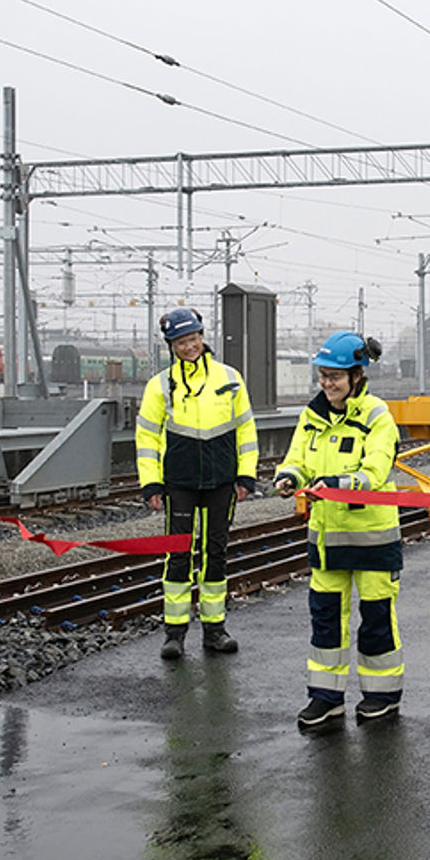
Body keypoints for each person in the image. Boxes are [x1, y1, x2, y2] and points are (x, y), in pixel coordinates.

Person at [273, 332, 404, 729]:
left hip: (372, 542)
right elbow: (297, 459)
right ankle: (325, 698)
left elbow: (376, 470)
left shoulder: (377, 416)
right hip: (327, 543)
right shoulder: (311, 417)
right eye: (323, 375)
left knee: (376, 618)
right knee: (326, 621)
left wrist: (341, 483)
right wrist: (288, 477)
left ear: (357, 376)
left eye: (335, 376)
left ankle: (381, 696)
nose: (327, 383)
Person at [136, 307, 259, 660]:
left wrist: (245, 474)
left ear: (203, 337)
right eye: (180, 342)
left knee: (215, 554)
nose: (189, 347)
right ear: (171, 345)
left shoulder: (229, 378)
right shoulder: (160, 385)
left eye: (193, 339)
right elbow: (146, 438)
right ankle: (174, 634)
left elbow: (246, 432)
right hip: (179, 483)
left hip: (222, 481)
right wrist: (152, 484)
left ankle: (215, 630)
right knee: (178, 555)